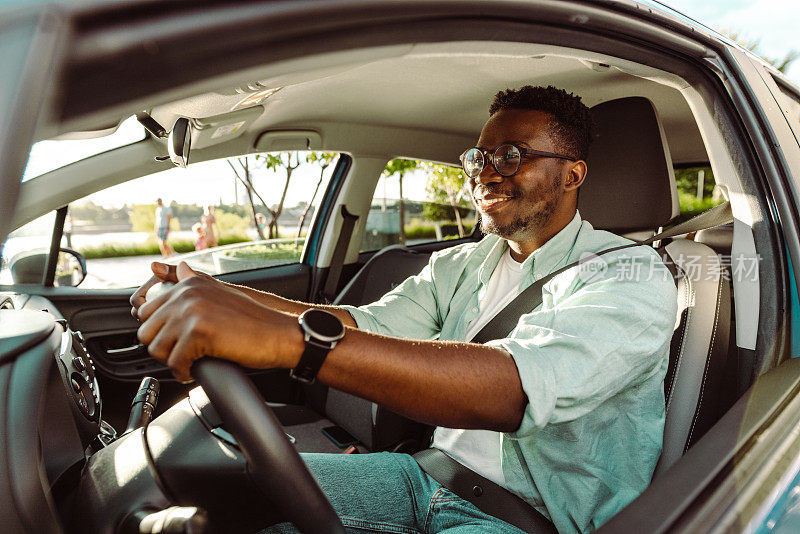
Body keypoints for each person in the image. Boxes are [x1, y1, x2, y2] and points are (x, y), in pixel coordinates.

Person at [131, 86, 677, 533]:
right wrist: (221, 295)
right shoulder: (461, 264)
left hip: (526, 519)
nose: (485, 173)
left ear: (573, 175)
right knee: (212, 496)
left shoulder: (628, 276)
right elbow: (365, 326)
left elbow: (514, 388)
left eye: (512, 156)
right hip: (420, 476)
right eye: (479, 157)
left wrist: (296, 343)